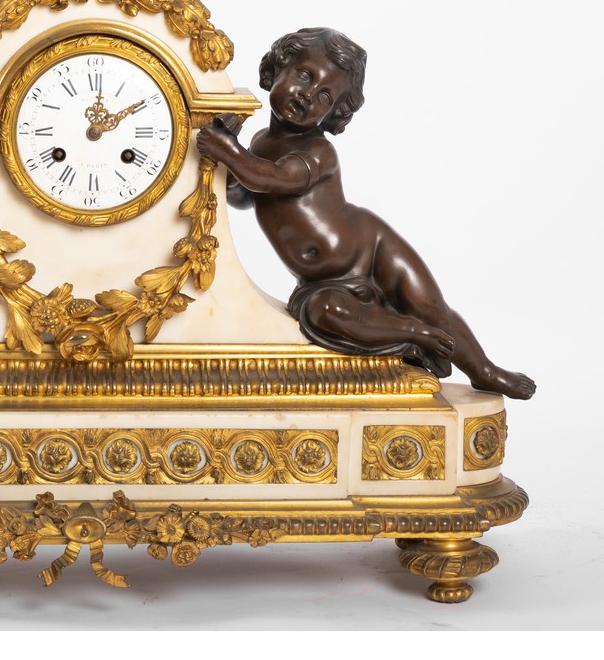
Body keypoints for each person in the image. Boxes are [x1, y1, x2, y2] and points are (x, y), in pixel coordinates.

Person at [196, 27, 535, 399]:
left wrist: (229, 153)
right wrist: (228, 162)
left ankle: (484, 370)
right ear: (276, 69)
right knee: (325, 314)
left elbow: (273, 178)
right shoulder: (260, 143)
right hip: (320, 284)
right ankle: (413, 333)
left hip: (372, 246)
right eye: (305, 76)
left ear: (333, 114)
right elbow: (244, 195)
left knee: (431, 306)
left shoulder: (317, 151)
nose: (308, 94)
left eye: (324, 96)